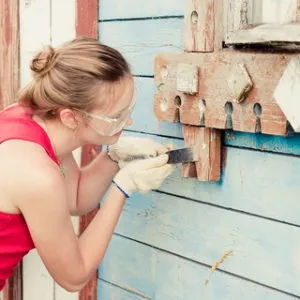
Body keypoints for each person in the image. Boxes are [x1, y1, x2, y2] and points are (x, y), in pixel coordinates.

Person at [0, 37, 174, 292]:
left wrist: (111, 158)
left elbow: (75, 199)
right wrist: (122, 188)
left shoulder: (34, 119)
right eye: (116, 116)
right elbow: (74, 278)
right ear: (71, 117)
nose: (128, 122)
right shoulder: (37, 175)